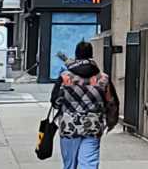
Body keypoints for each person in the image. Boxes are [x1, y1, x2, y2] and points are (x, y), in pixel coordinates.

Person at [50, 41, 120, 169]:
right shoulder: (103, 79)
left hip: (69, 127)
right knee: (89, 163)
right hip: (92, 126)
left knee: (70, 165)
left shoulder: (65, 77)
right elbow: (112, 103)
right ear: (91, 55)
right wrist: (111, 122)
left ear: (76, 55)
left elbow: (55, 101)